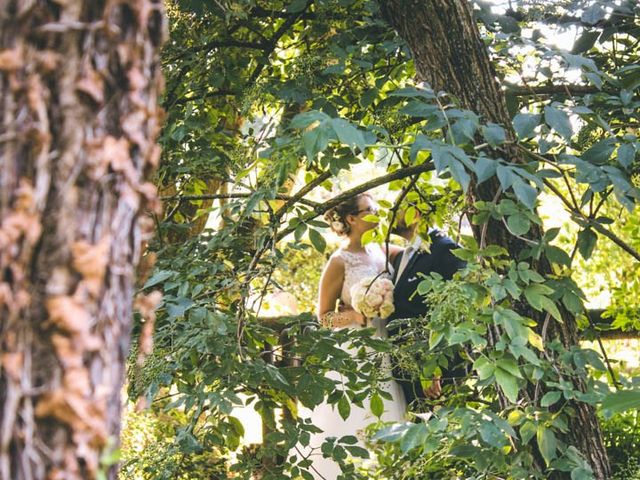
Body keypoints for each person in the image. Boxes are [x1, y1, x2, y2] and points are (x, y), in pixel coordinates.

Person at [298, 192, 407, 479]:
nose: (377, 212)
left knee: (386, 415)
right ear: (352, 218)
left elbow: (414, 250)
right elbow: (322, 317)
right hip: (354, 350)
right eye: (370, 209)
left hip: (383, 344)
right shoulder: (339, 261)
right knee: (355, 416)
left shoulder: (383, 250)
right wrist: (358, 315)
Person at [388, 207, 467, 410]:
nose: (391, 210)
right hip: (406, 371)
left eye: (399, 206)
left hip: (433, 379)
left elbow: (457, 309)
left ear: (415, 213)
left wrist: (435, 366)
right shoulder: (402, 255)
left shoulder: (444, 248)